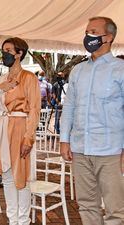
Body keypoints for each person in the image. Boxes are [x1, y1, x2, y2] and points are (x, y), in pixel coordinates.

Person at [60, 17, 124, 225]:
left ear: (109, 37)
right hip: (80, 149)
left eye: (94, 32)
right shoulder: (78, 71)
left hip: (110, 151)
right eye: (87, 31)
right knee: (87, 204)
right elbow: (69, 107)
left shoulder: (120, 69)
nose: (88, 36)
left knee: (116, 209)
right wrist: (64, 140)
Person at [0, 37, 41, 225]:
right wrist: (0, 88)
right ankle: (12, 220)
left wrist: (29, 138)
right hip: (2, 127)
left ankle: (23, 221)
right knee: (7, 176)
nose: (4, 54)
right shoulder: (1, 79)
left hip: (20, 127)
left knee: (21, 178)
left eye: (8, 50)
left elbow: (34, 109)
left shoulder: (29, 78)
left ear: (19, 54)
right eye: (3, 50)